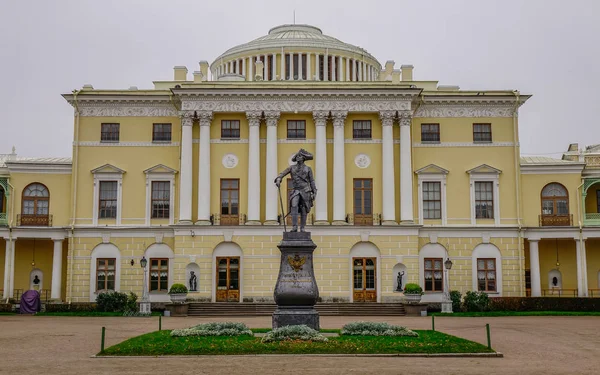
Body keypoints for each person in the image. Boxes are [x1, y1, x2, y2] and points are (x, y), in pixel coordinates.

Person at [274, 149, 317, 232]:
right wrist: (279, 179)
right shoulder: (292, 168)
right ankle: (294, 227)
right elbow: (282, 173)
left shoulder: (308, 169)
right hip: (296, 190)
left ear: (303, 158)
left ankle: (302, 228)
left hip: (305, 190)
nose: (298, 157)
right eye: (297, 156)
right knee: (294, 206)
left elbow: (311, 181)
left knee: (303, 208)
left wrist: (314, 191)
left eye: (300, 156)